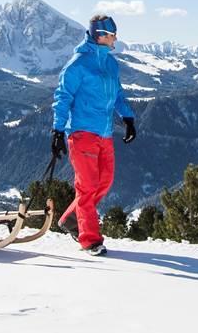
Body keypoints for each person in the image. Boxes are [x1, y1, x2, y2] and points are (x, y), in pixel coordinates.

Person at [51, 14, 137, 255]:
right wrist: (57, 130)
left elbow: (117, 94)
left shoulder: (110, 63)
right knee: (87, 187)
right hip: (82, 132)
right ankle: (89, 240)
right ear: (100, 35)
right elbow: (63, 97)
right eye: (112, 34)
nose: (115, 38)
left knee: (104, 182)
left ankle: (69, 218)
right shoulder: (77, 64)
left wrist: (128, 118)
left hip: (105, 132)